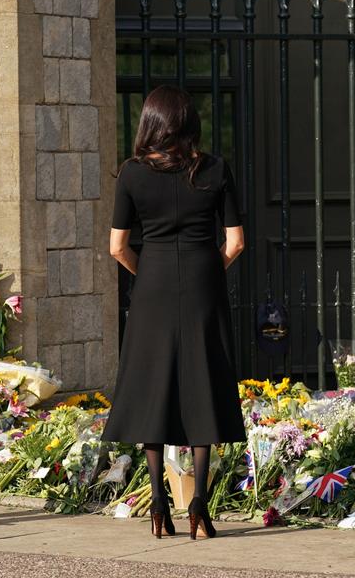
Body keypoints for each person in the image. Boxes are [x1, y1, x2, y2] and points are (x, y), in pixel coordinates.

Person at [102, 85, 246, 540]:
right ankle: (199, 504)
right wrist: (208, 266)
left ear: (150, 122)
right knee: (204, 375)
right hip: (203, 278)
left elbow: (117, 247)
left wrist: (146, 273)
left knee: (153, 382)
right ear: (189, 124)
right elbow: (236, 242)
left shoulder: (131, 174)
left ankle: (158, 505)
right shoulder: (215, 169)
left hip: (153, 283)